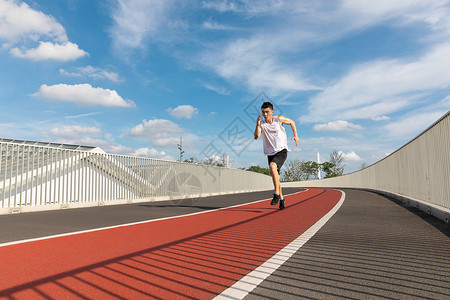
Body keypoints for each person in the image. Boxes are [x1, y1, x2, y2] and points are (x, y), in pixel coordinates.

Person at [254, 101, 299, 210]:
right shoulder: (262, 124)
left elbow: (292, 122)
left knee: (273, 167)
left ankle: (276, 194)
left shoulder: (278, 119)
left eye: (267, 112)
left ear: (272, 111)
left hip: (281, 150)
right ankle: (282, 199)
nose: (265, 114)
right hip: (270, 153)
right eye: (263, 112)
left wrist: (295, 136)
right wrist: (257, 124)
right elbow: (256, 137)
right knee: (276, 176)